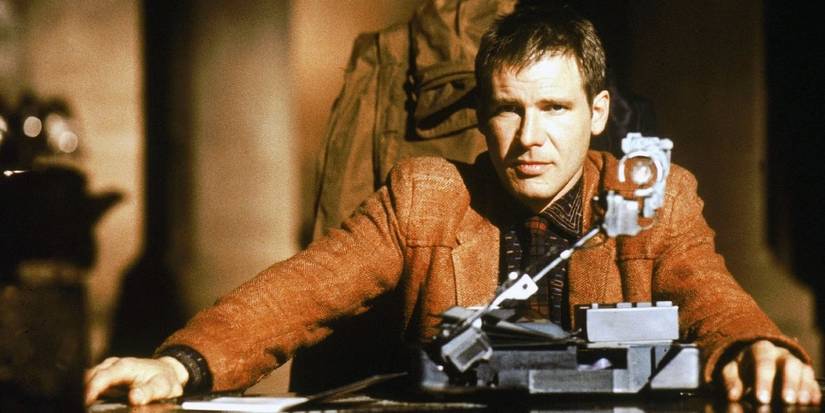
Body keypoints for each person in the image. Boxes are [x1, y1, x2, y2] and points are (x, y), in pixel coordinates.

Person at [85, 4, 821, 407]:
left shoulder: (651, 192)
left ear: (598, 112)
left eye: (554, 108)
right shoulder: (428, 195)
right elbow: (302, 289)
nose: (528, 137)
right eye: (506, 110)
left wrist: (757, 348)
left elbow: (710, 295)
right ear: (483, 114)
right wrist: (182, 364)